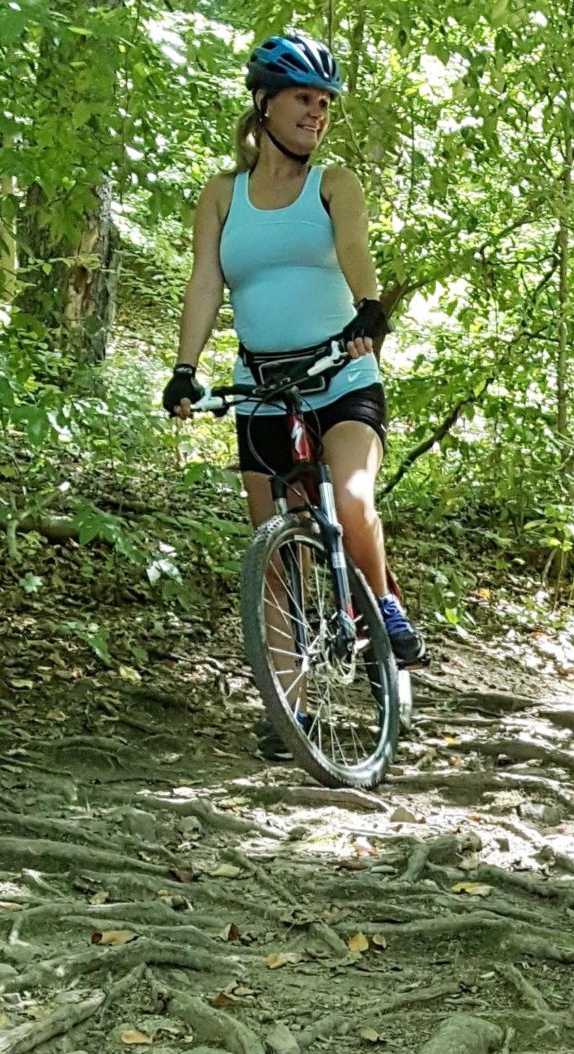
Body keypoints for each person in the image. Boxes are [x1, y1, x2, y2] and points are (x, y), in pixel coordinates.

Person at [161, 28, 425, 740]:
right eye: (304, 100)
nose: (317, 113)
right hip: (262, 388)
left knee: (352, 496)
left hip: (341, 379)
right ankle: (293, 711)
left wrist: (370, 307)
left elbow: (353, 249)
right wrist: (185, 369)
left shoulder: (334, 184)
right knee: (273, 553)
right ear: (265, 105)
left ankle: (383, 608)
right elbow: (206, 282)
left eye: (325, 103)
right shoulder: (222, 196)